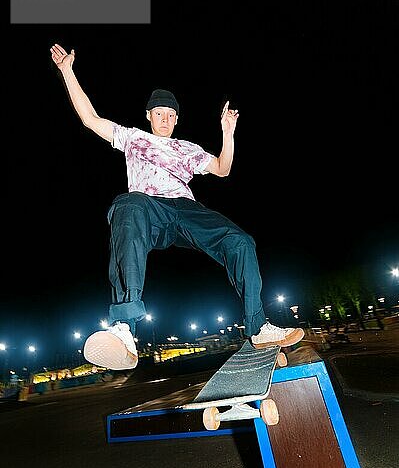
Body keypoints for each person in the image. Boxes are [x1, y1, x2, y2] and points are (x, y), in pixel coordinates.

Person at [50, 43, 304, 370]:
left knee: (240, 241)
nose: (165, 119)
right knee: (127, 206)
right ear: (148, 116)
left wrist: (228, 133)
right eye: (159, 114)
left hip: (185, 210)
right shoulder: (133, 138)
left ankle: (259, 327)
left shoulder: (187, 148)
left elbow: (222, 169)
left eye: (171, 115)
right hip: (148, 209)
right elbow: (90, 118)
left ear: (177, 119)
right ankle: (125, 327)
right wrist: (67, 71)